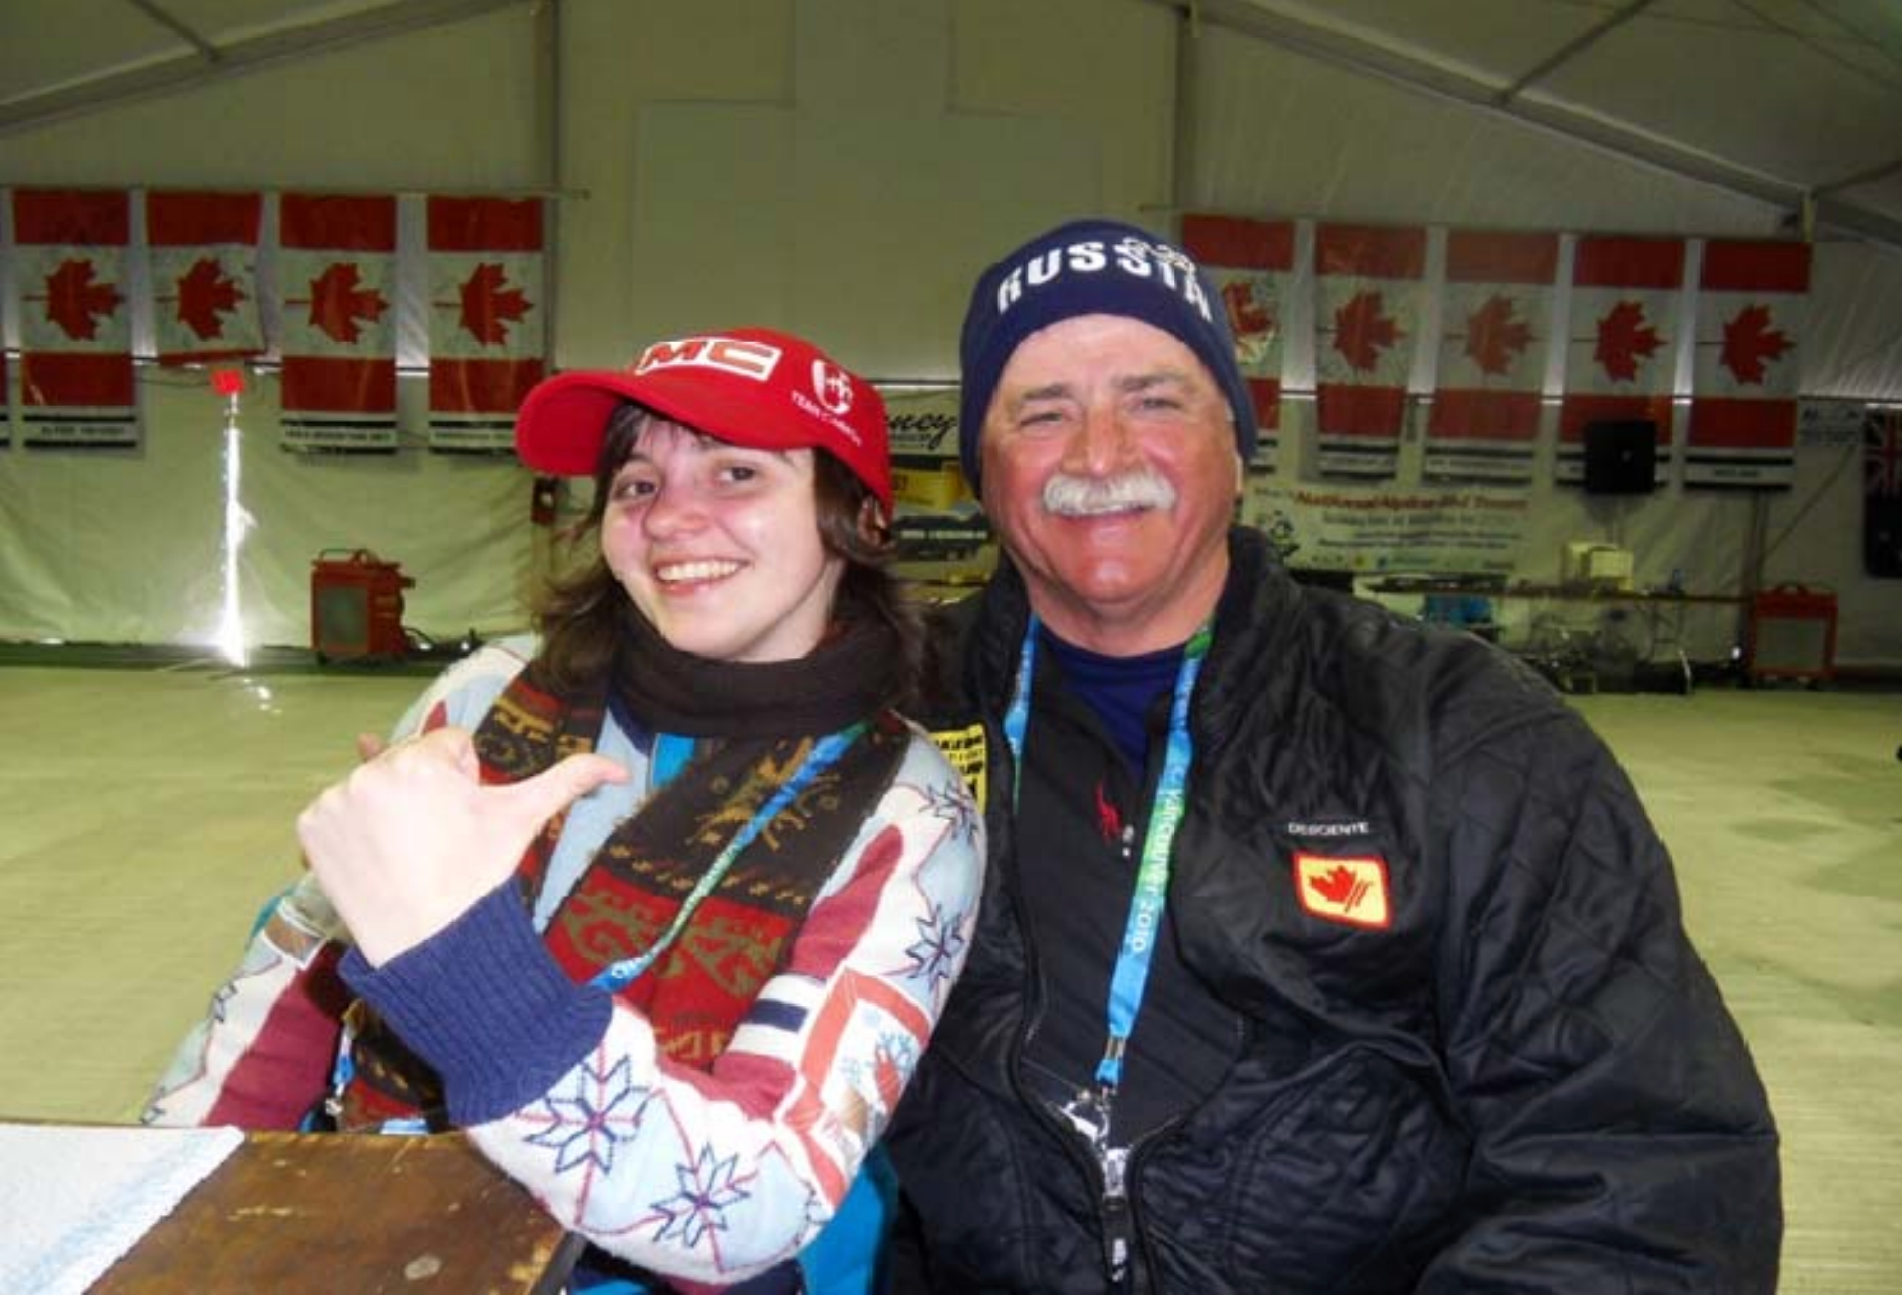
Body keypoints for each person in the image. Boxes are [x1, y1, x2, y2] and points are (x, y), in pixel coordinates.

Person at [882, 218, 1782, 1292]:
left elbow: (1645, 1173)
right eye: (1042, 412)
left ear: (1239, 444)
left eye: (1155, 400)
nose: (1099, 456)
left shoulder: (1461, 735)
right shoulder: (878, 717)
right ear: (983, 467)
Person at [145, 327, 985, 1293]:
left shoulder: (909, 811)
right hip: (388, 1228)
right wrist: (160, 1199)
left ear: (859, 520)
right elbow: (294, 980)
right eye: (637, 483)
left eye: (735, 474)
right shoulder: (486, 701)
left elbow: (759, 1199)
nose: (671, 518)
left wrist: (465, 971)